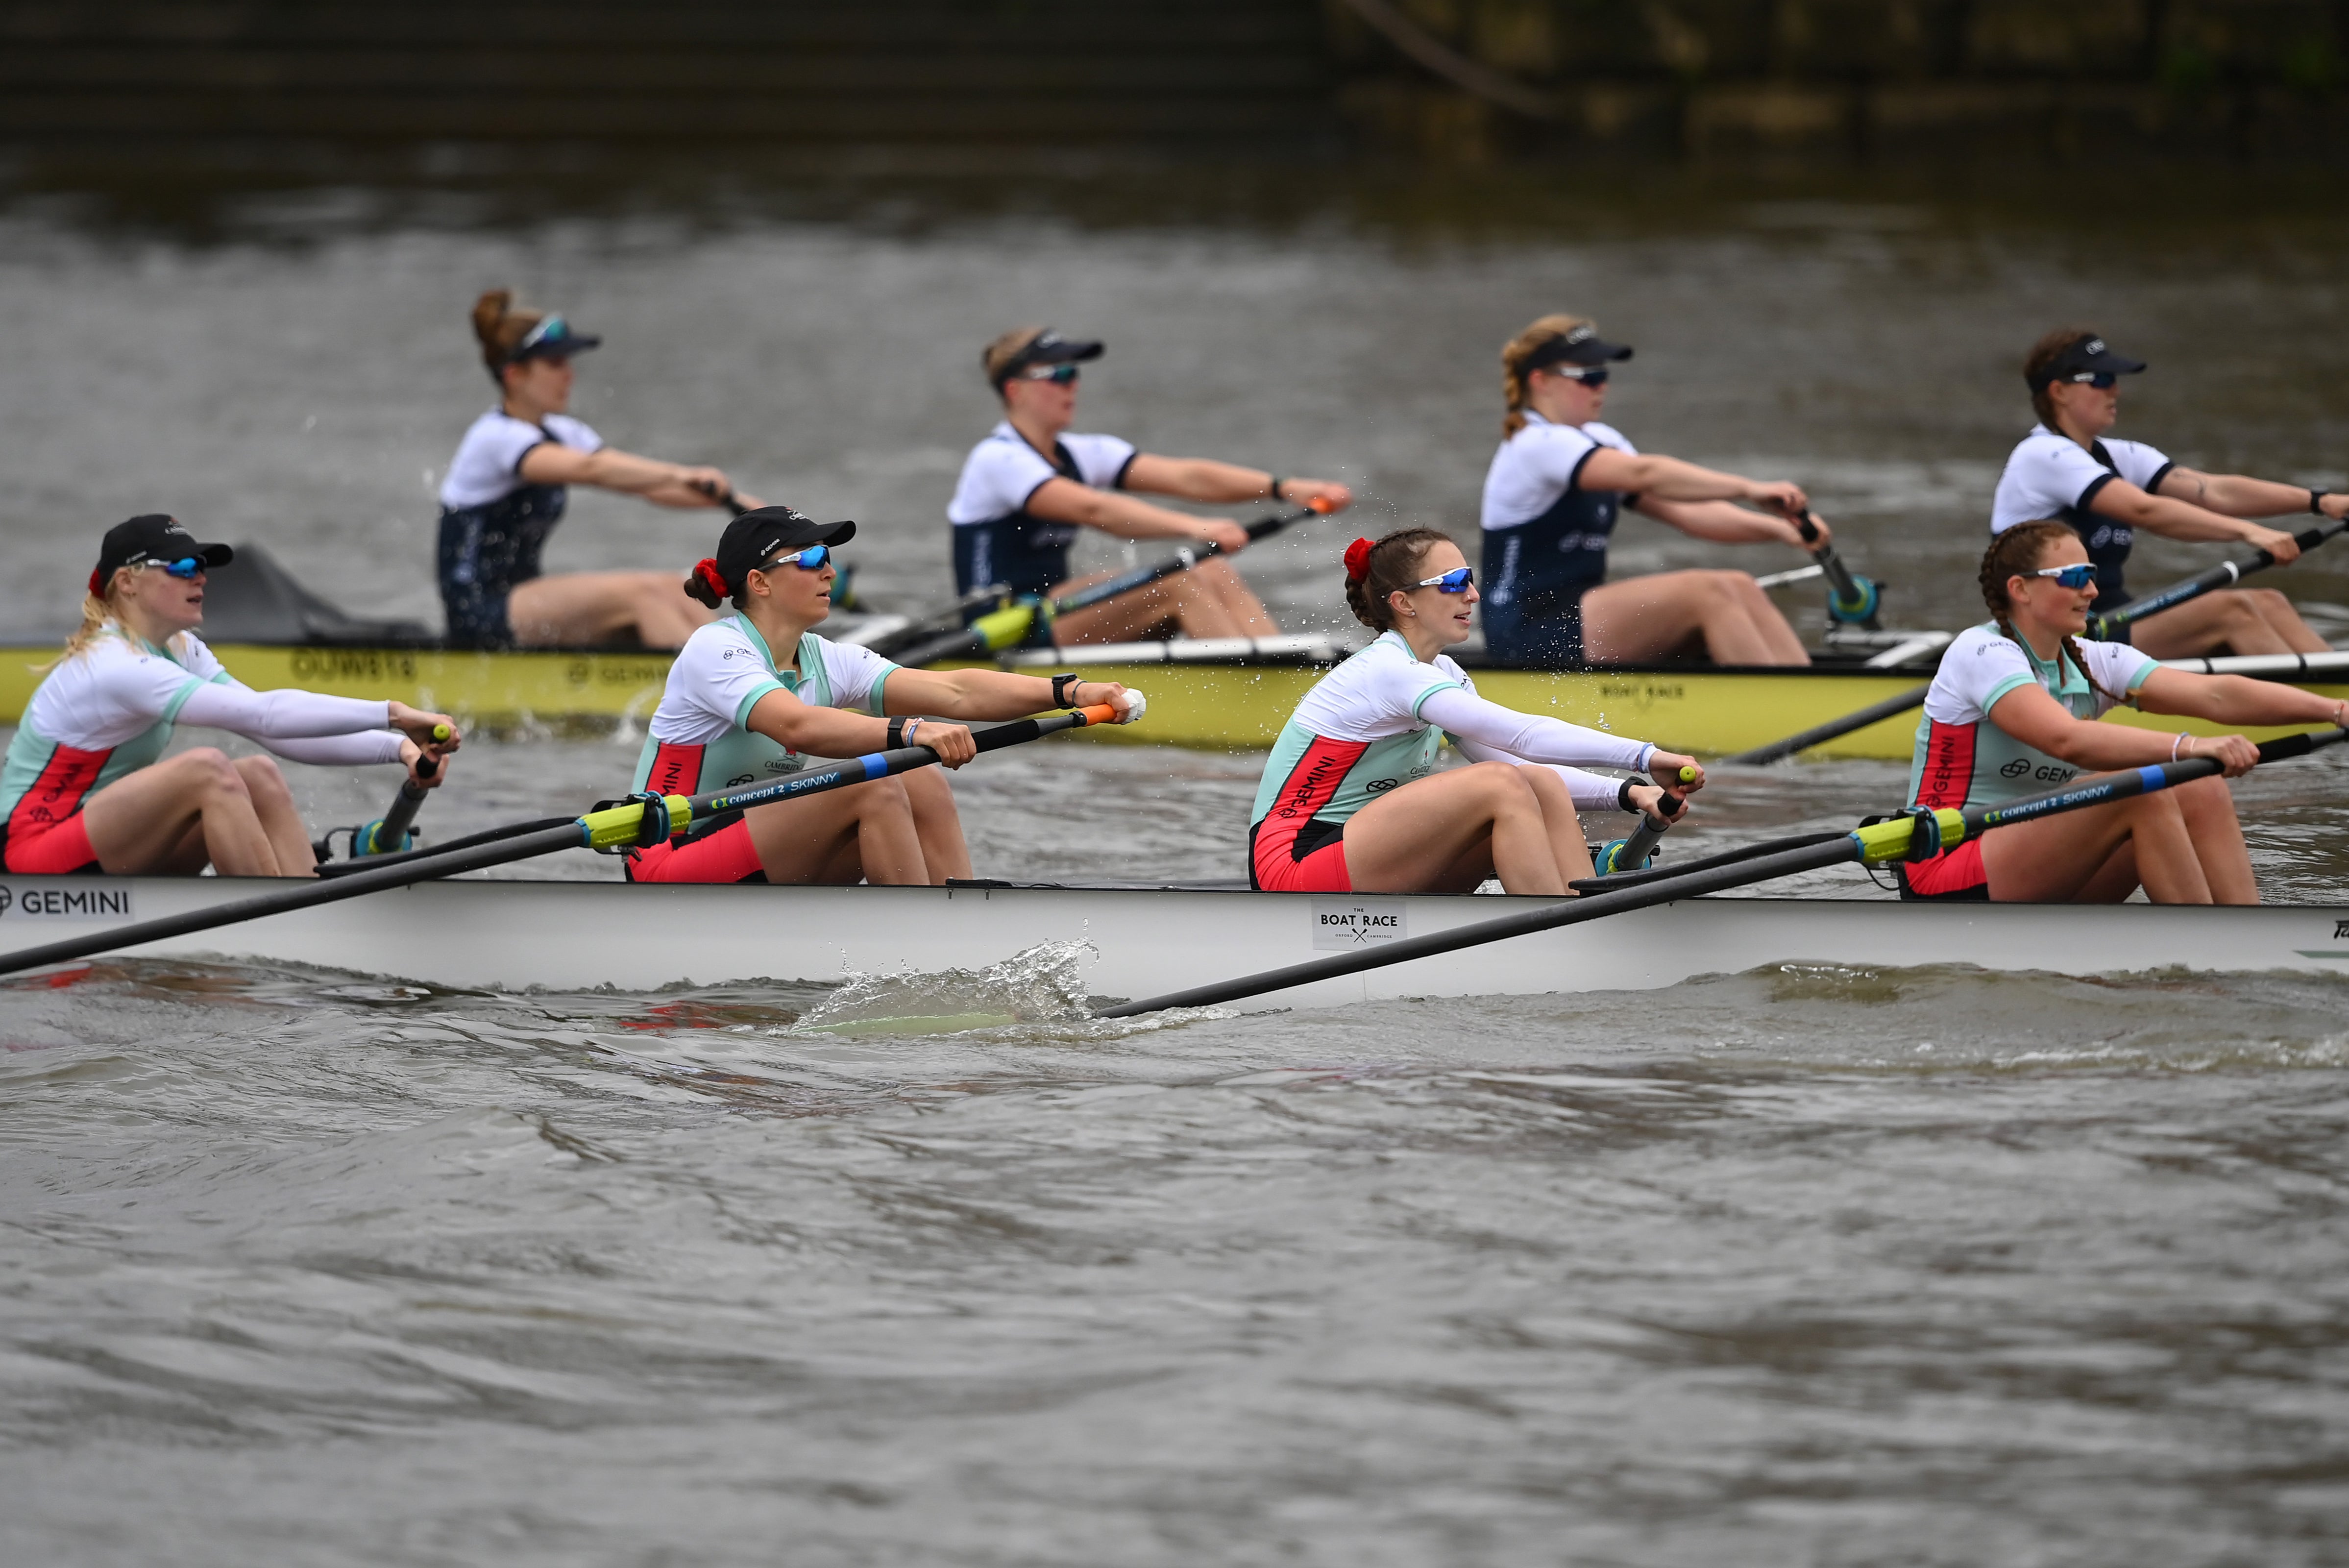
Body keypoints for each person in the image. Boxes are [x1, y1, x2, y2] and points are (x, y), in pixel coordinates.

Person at [625, 507, 1143, 886]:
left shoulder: (824, 657)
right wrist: (913, 729)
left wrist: (1071, 689)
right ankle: (920, 948)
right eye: (811, 557)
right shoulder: (716, 647)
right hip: (668, 857)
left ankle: (958, 912)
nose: (829, 570)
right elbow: (797, 727)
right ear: (759, 582)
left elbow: (956, 690)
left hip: (748, 845)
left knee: (916, 771)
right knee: (872, 784)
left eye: (828, 557)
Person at [1899, 521, 2347, 905]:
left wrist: (2335, 709)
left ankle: (2250, 938)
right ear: (2021, 589)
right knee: (2142, 788)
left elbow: (2216, 696)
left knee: (2200, 784)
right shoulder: (1983, 651)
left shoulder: (2094, 661)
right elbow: (2066, 740)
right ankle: (2212, 953)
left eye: (2091, 574)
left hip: (2029, 855)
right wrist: (2188, 745)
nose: (2093, 590)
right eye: (2074, 577)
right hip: (1946, 861)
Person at [1249, 527, 1702, 896]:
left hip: (1362, 850)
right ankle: (1560, 933)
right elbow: (1524, 736)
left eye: (1469, 579)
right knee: (1500, 786)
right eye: (1453, 583)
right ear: (1403, 603)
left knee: (1535, 781)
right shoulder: (1389, 671)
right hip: (1294, 862)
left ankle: (1574, 895)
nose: (1473, 595)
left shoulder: (1442, 671)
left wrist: (1630, 794)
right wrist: (1647, 757)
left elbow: (1517, 760)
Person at [0, 515, 461, 878]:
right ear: (128, 583)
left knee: (258, 773)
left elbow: (280, 732)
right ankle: (288, 923)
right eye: (182, 568)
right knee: (207, 770)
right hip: (31, 853)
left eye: (201, 568)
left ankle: (306, 900)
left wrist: (398, 749)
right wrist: (395, 715)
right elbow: (266, 717)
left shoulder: (179, 650)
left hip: (104, 843)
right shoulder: (113, 664)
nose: (199, 579)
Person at [946, 326, 1353, 645]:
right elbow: (1094, 510)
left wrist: (1285, 487)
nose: (1073, 385)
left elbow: (1187, 477)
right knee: (1179, 580)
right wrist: (1197, 528)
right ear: (1015, 389)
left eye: (1075, 374)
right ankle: (1259, 699)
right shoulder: (997, 459)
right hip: (1001, 627)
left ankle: (1280, 679)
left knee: (1212, 567)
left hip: (1057, 613)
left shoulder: (1083, 452)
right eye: (1060, 374)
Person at [1480, 315, 1824, 667]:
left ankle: (1815, 704)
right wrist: (1749, 488)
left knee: (1740, 584)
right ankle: (1771, 711)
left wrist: (1781, 530)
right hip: (1527, 630)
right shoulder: (1533, 443)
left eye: (1604, 375)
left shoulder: (1601, 440)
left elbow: (1689, 512)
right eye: (1589, 377)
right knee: (1708, 593)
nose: (1602, 387)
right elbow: (1645, 473)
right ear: (1541, 381)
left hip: (1583, 614)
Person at [436, 290, 766, 651]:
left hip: (527, 600)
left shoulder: (564, 432)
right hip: (479, 612)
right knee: (645, 594)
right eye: (555, 364)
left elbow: (646, 487)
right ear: (515, 375)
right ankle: (730, 690)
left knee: (675, 589)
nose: (569, 375)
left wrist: (743, 509)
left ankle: (748, 668)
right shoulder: (494, 437)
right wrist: (681, 474)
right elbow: (594, 470)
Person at [1990, 329, 2334, 658]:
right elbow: (2145, 511)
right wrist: (2250, 532)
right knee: (2233, 611)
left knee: (2270, 601)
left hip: (2113, 613)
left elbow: (2215, 491)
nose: (2115, 391)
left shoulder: (2120, 455)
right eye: (2102, 380)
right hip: (2054, 631)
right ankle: (2320, 709)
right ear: (2059, 392)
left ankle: (2335, 696)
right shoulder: (2041, 456)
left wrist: (2322, 501)